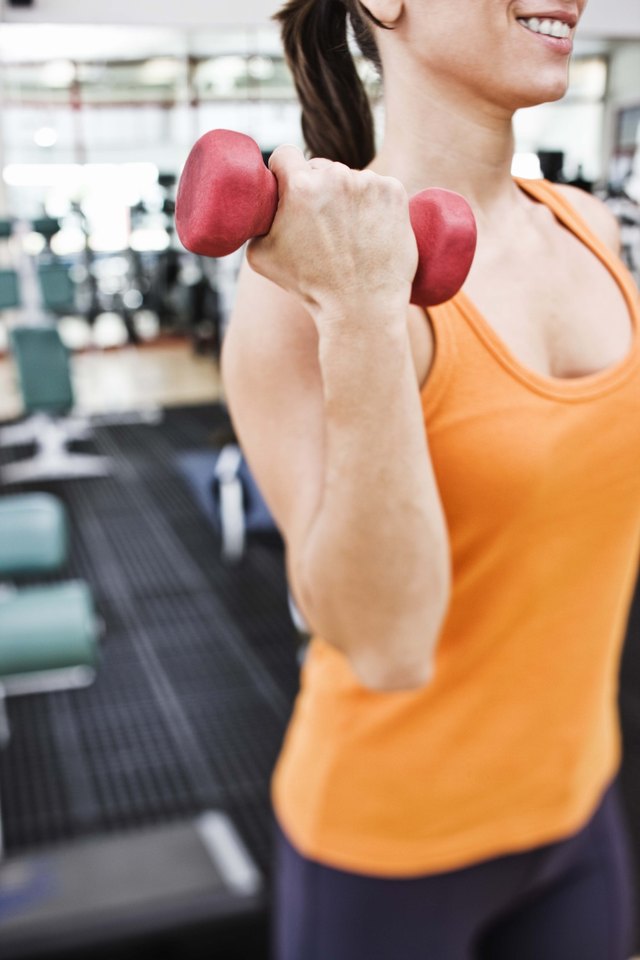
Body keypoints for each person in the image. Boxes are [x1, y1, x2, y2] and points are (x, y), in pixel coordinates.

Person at [221, 0, 640, 957]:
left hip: (578, 810)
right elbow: (386, 646)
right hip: (388, 853)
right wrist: (363, 309)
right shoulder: (299, 291)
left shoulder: (590, 231)